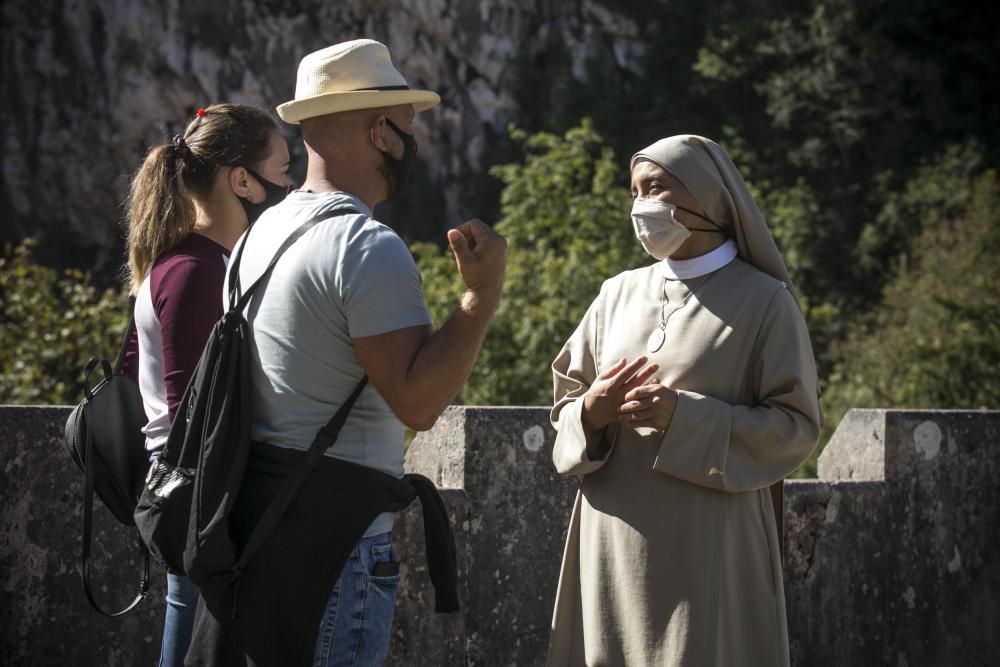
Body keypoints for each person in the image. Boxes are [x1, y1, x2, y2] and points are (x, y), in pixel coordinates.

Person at [184, 39, 506, 666]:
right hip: (340, 552)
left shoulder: (260, 233)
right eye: (408, 127)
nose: (414, 142)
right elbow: (418, 401)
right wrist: (480, 297)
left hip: (262, 529)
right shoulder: (365, 244)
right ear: (381, 131)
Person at [546, 135, 822, 666]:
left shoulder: (765, 302)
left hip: (707, 547)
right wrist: (594, 411)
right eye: (634, 192)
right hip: (613, 545)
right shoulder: (615, 294)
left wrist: (684, 418)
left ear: (707, 195)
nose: (641, 205)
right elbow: (564, 412)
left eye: (655, 188)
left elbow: (796, 427)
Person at [123, 103, 290, 666]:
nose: (290, 185)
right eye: (284, 171)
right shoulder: (197, 272)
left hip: (199, 498)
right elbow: (194, 415)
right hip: (202, 501)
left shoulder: (200, 262)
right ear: (241, 180)